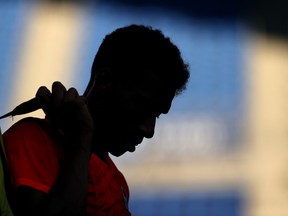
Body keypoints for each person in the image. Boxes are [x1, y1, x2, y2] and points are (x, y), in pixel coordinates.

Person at [2, 24, 190, 216]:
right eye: (142, 107)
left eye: (157, 115)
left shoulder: (118, 182)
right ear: (104, 81)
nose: (149, 130)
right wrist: (81, 141)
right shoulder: (33, 138)